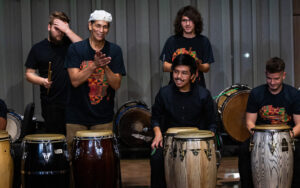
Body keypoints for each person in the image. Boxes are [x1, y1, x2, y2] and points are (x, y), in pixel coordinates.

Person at [150, 54, 217, 188]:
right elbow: (155, 117)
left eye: (184, 73)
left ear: (193, 75)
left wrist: (210, 137)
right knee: (156, 157)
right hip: (169, 141)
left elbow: (212, 123)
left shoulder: (203, 95)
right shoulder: (164, 93)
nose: (178, 77)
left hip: (196, 143)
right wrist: (157, 134)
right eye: (176, 72)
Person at [64, 10, 126, 150]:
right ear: (90, 26)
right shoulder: (76, 49)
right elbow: (74, 80)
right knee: (76, 158)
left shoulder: (115, 51)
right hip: (76, 116)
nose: (101, 30)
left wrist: (105, 67)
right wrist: (94, 65)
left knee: (102, 159)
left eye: (105, 26)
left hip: (103, 116)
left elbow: (116, 84)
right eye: (98, 26)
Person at [239, 57, 300, 188]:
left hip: (286, 138)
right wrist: (258, 136)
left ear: (283, 75)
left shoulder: (293, 94)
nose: (272, 82)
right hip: (262, 137)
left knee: (299, 151)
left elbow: (299, 124)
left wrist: (289, 136)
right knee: (244, 149)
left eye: (276, 79)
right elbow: (250, 122)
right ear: (266, 74)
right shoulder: (256, 93)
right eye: (269, 78)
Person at [25, 11, 81, 134]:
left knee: (74, 139)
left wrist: (67, 31)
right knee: (57, 140)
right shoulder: (38, 48)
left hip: (73, 101)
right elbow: (29, 74)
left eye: (62, 29)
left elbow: (84, 48)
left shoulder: (70, 43)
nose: (59, 32)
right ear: (49, 27)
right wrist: (42, 81)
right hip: (51, 103)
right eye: (57, 28)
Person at [160, 5, 214, 88]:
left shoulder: (204, 41)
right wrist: (183, 67)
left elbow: (206, 68)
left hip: (197, 89)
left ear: (196, 22)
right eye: (184, 20)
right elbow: (165, 67)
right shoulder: (172, 41)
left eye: (191, 20)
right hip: (175, 89)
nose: (187, 24)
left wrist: (197, 66)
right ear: (180, 23)